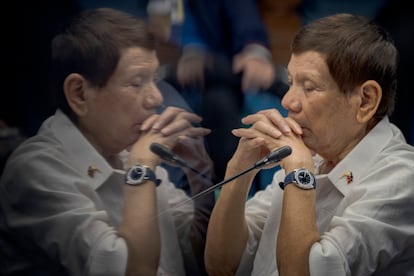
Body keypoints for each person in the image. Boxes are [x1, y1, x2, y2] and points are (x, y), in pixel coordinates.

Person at [0, 7, 215, 276]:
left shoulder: (127, 150)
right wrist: (141, 167)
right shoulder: (35, 171)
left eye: (155, 80)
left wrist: (199, 176)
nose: (157, 99)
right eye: (137, 82)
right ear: (79, 94)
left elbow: (192, 249)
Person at [205, 13, 414, 275]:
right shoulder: (312, 154)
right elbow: (222, 265)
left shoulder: (402, 178)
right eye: (291, 82)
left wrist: (299, 172)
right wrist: (239, 170)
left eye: (309, 87)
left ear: (365, 101)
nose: (287, 102)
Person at [165, 0, 278, 183]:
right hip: (190, 76)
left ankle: (226, 186)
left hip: (228, 70)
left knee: (219, 101)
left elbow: (243, 14)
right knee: (216, 99)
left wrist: (255, 50)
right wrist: (192, 50)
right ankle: (224, 185)